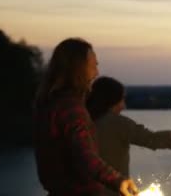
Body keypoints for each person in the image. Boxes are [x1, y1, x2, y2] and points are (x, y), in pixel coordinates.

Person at [33, 38, 137, 196]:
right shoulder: (71, 109)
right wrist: (118, 180)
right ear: (78, 69)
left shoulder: (50, 104)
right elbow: (85, 157)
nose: (97, 73)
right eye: (93, 65)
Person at [86, 76, 171, 194]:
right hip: (114, 190)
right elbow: (151, 139)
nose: (123, 106)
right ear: (112, 100)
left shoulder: (82, 121)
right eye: (122, 100)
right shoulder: (118, 123)